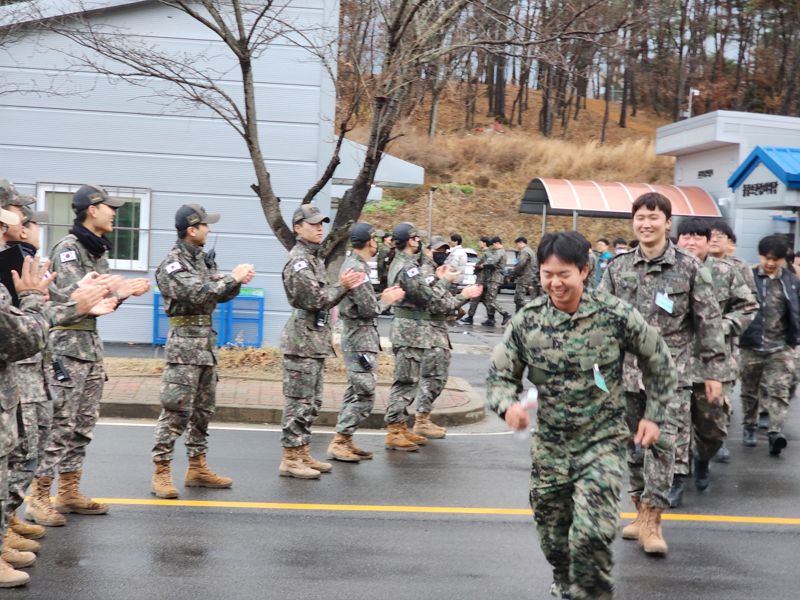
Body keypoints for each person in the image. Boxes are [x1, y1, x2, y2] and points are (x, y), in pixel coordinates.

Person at [487, 231, 676, 600]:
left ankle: (592, 593)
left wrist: (653, 415)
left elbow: (660, 361)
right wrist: (507, 405)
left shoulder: (615, 315)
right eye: (547, 274)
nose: (555, 283)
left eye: (564, 274)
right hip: (551, 447)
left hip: (601, 442)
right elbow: (499, 375)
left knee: (591, 537)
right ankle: (565, 583)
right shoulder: (527, 322)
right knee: (554, 540)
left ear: (584, 271)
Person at [599, 192, 725, 556]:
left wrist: (713, 370)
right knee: (633, 448)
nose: (646, 223)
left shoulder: (688, 267)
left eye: (654, 217)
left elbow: (709, 322)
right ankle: (639, 511)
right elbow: (601, 321)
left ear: (667, 223)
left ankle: (653, 519)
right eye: (640, 217)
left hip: (671, 377)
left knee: (664, 446)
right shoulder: (617, 267)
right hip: (625, 375)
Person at [0, 212, 114, 586]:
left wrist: (87, 303)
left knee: (49, 438)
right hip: (42, 357)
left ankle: (8, 530)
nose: (13, 231)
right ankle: (27, 510)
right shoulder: (66, 250)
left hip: (50, 355)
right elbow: (19, 331)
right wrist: (51, 302)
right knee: (30, 445)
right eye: (6, 225)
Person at [33, 185, 151, 525]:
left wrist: (121, 292)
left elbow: (100, 306)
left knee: (82, 424)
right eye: (108, 207)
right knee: (60, 424)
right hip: (67, 348)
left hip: (89, 348)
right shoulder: (69, 249)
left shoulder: (96, 251)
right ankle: (40, 495)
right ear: (91, 209)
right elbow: (77, 300)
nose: (114, 212)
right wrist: (116, 289)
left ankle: (69, 491)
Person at [150, 204, 255, 498]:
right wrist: (232, 278)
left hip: (206, 345)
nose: (210, 229)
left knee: (203, 411)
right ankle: (161, 470)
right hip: (184, 347)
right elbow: (199, 292)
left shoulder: (202, 261)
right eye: (206, 225)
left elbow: (218, 291)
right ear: (192, 230)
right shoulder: (172, 265)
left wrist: (236, 282)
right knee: (176, 411)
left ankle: (197, 467)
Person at [673, 218, 757, 505]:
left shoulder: (726, 271)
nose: (691, 242)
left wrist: (720, 326)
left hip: (713, 364)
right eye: (686, 237)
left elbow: (749, 306)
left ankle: (703, 459)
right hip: (674, 364)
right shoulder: (666, 270)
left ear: (709, 242)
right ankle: (675, 479)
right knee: (674, 426)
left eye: (698, 237)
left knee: (712, 428)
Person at [278, 204, 363, 479]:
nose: (319, 227)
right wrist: (343, 287)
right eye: (313, 223)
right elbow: (315, 299)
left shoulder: (313, 258)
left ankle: (302, 452)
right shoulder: (300, 261)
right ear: (297, 227)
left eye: (321, 223)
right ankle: (290, 458)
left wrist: (337, 287)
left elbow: (322, 294)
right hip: (301, 342)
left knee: (311, 402)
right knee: (298, 403)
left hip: (312, 341)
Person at [384, 222, 481, 451]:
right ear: (411, 240)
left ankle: (401, 427)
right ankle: (395, 430)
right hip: (410, 330)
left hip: (413, 330)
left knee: (411, 381)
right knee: (405, 382)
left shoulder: (408, 265)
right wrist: (447, 282)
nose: (419, 241)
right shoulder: (408, 267)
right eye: (416, 238)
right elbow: (429, 299)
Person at [2, 203, 57, 553]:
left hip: (25, 370)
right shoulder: (15, 265)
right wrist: (35, 300)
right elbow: (22, 334)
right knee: (20, 452)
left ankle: (5, 528)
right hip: (21, 368)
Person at [326, 223, 404, 463]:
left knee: (356, 389)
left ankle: (346, 439)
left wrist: (380, 297)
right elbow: (369, 309)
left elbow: (366, 302)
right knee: (365, 392)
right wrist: (387, 300)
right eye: (375, 239)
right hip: (359, 338)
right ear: (369, 241)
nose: (377, 243)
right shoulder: (357, 269)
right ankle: (340, 440)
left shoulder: (356, 266)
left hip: (360, 336)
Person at [738, 234, 800, 455]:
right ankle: (749, 426)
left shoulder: (791, 281)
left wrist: (794, 340)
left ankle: (775, 432)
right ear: (760, 256)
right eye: (767, 258)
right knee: (749, 391)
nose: (771, 263)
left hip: (780, 346)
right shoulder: (747, 276)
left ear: (784, 259)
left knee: (779, 390)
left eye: (777, 259)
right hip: (750, 344)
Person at [412, 236, 476, 439]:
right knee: (432, 377)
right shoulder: (426, 273)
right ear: (427, 250)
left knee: (437, 377)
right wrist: (463, 296)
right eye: (438, 249)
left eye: (445, 250)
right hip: (430, 332)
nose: (442, 253)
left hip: (438, 330)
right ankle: (420, 420)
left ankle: (423, 417)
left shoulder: (435, 272)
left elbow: (445, 301)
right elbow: (436, 305)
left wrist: (457, 300)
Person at [459, 236, 491, 325]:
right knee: (485, 300)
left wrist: (477, 266)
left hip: (482, 279)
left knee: (475, 298)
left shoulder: (487, 253)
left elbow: (486, 265)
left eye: (480, 242)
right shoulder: (486, 253)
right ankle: (492, 317)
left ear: (484, 243)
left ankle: (470, 317)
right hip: (481, 278)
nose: (479, 243)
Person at [482, 237, 512, 326]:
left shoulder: (500, 252)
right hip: (493, 278)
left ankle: (505, 314)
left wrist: (482, 265)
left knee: (491, 299)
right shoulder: (500, 252)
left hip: (495, 278)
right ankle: (491, 318)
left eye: (493, 245)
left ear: (497, 243)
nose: (493, 247)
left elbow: (492, 262)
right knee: (489, 298)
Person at [512, 236, 539, 312]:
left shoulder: (524, 251)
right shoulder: (531, 251)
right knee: (521, 299)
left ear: (521, 243)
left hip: (523, 277)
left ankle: (527, 314)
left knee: (519, 299)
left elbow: (521, 264)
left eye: (517, 244)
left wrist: (514, 272)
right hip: (530, 277)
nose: (517, 247)